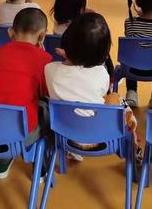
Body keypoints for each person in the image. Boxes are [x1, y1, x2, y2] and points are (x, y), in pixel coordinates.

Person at [45, 13, 136, 160]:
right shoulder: (102, 74)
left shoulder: (49, 69)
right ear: (103, 54)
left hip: (66, 135)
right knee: (116, 98)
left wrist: (69, 55)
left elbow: (71, 77)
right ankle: (132, 135)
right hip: (101, 137)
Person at [0, 8, 51, 179]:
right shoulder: (44, 58)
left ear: (10, 32)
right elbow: (45, 92)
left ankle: (2, 159)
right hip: (19, 132)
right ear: (42, 36)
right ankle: (41, 170)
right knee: (46, 109)